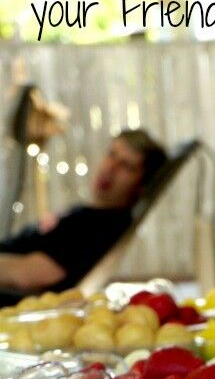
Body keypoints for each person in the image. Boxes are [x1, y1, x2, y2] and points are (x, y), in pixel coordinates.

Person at [0, 129, 167, 304]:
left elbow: (30, 275)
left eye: (126, 166)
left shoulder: (99, 226)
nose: (110, 168)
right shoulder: (86, 214)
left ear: (141, 185)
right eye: (112, 154)